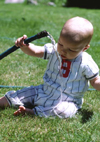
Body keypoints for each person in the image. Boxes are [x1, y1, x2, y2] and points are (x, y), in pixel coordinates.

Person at [0, 16, 100, 118]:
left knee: (64, 111)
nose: (63, 51)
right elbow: (35, 51)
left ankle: (33, 112)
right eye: (61, 44)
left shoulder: (85, 62)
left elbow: (94, 81)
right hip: (43, 91)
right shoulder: (54, 49)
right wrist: (25, 46)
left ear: (85, 48)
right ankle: (3, 101)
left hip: (67, 100)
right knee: (22, 94)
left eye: (71, 50)